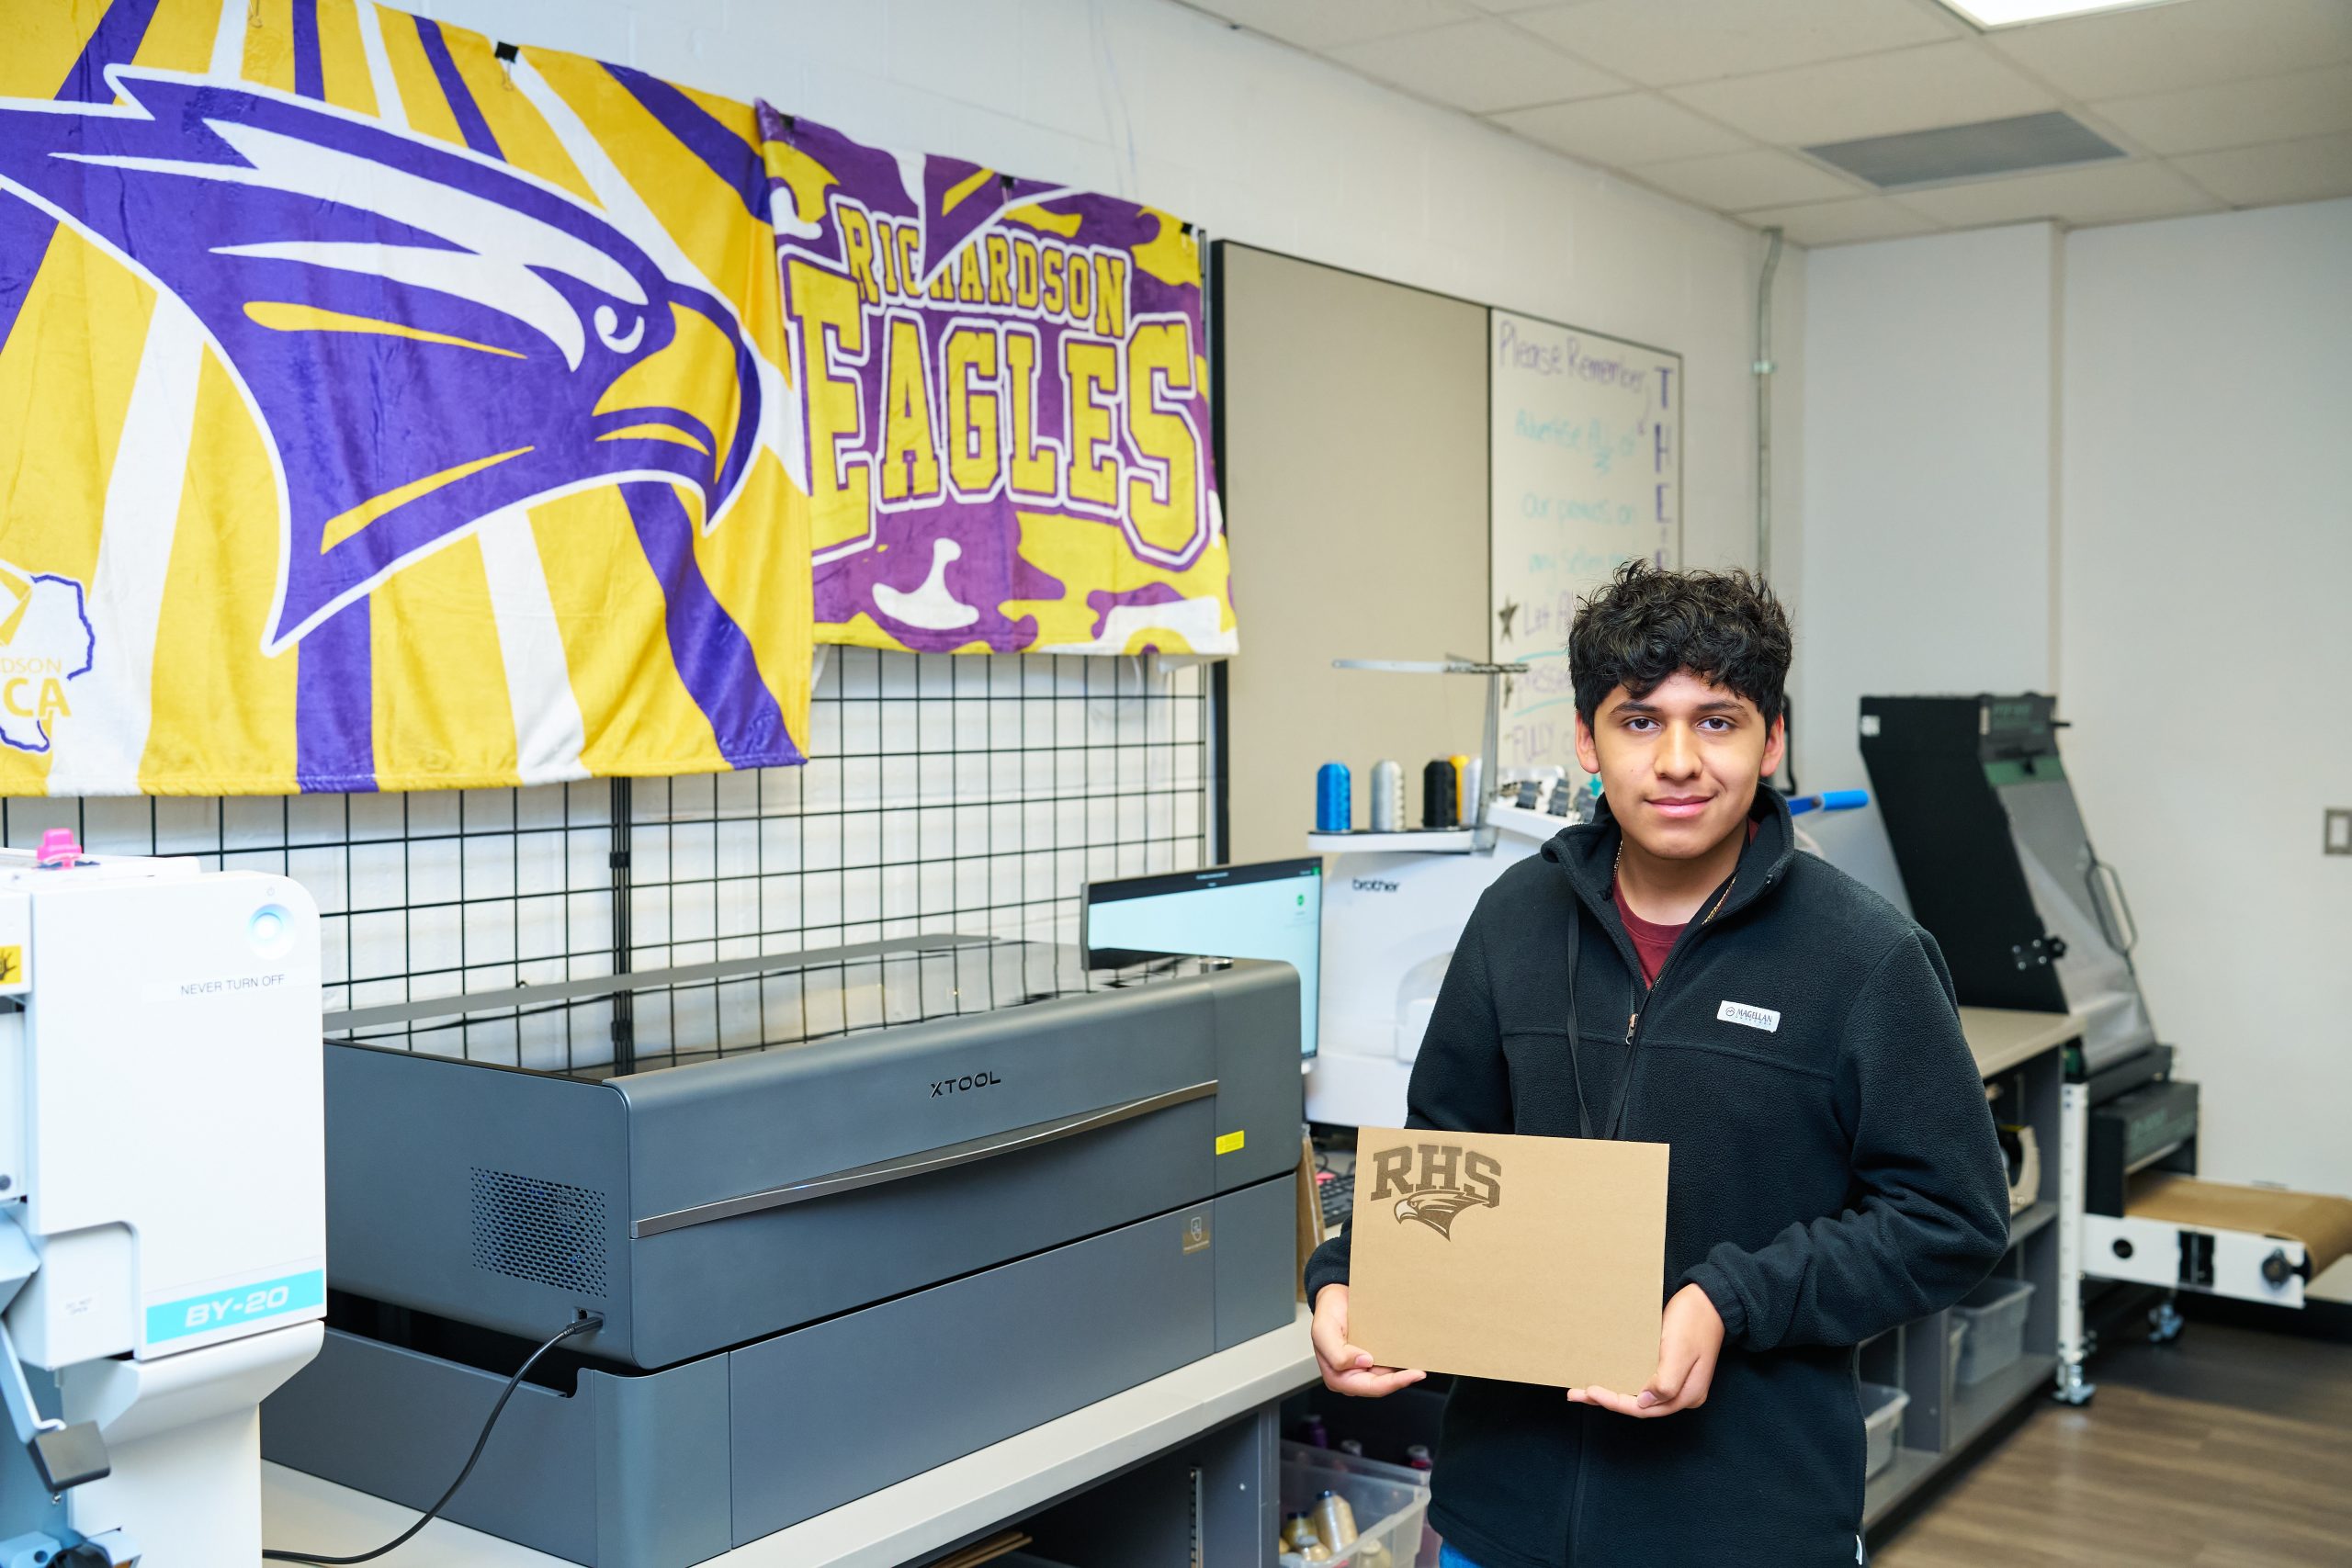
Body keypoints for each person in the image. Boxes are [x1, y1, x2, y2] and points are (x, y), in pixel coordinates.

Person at [1305, 563, 2009, 1568]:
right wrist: (1347, 1278)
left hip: (1743, 1527)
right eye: (1640, 721)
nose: (1678, 761)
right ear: (1586, 742)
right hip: (1501, 1517)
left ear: (1772, 739)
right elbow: (1443, 1156)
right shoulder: (1513, 921)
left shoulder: (1865, 956)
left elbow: (1951, 1217)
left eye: (1717, 721)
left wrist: (1729, 1299)